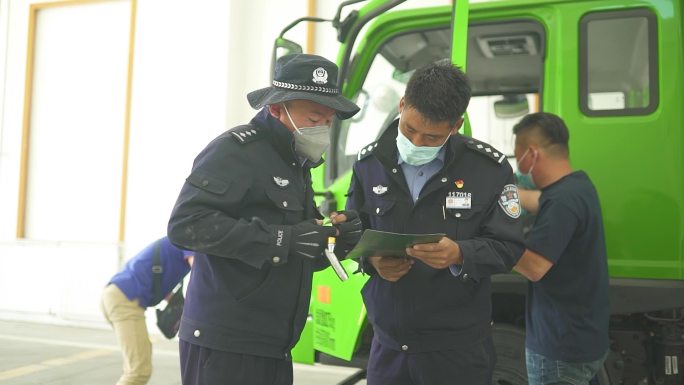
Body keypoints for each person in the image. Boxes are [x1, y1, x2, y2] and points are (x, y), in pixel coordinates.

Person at [167, 53, 361, 385]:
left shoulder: (296, 163)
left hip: (273, 345)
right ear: (276, 108)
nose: (323, 127)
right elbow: (187, 224)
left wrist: (334, 240)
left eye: (329, 119)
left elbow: (297, 251)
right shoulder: (236, 151)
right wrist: (281, 239)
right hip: (228, 342)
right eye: (315, 116)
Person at [346, 62, 525, 385]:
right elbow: (353, 231)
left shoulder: (489, 170)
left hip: (457, 352)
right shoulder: (369, 164)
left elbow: (509, 246)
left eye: (431, 137)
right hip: (388, 348)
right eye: (409, 129)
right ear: (402, 106)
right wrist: (371, 260)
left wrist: (460, 254)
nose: (417, 142)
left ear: (455, 125)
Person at [511, 112, 609, 385]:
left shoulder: (561, 203)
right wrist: (509, 195)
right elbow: (543, 201)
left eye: (516, 155)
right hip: (585, 338)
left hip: (560, 349)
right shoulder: (578, 186)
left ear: (531, 154)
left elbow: (533, 268)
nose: (518, 166)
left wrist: (490, 238)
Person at [101, 236, 194, 385]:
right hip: (125, 298)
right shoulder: (191, 239)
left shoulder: (177, 239)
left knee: (136, 363)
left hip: (115, 293)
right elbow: (201, 276)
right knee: (138, 372)